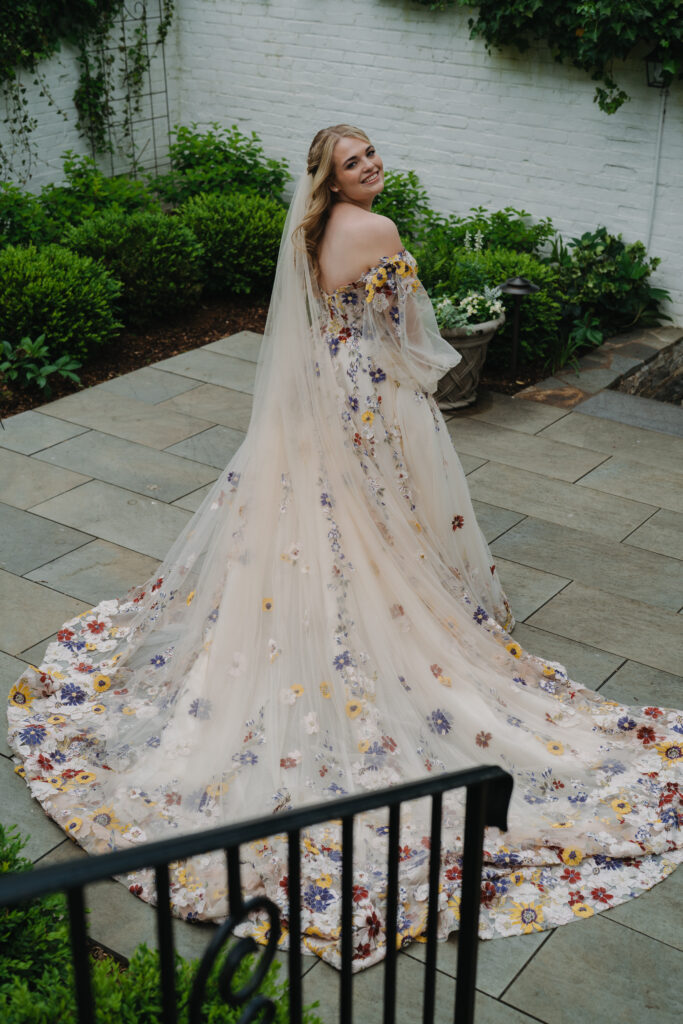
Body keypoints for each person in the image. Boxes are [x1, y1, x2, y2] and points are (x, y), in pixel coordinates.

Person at [7, 125, 682, 971]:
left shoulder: (310, 231)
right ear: (332, 176)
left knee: (312, 518)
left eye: (372, 155)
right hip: (363, 391)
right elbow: (405, 329)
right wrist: (422, 383)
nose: (372, 168)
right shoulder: (379, 231)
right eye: (355, 162)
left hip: (312, 394)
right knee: (374, 520)